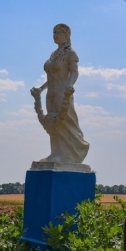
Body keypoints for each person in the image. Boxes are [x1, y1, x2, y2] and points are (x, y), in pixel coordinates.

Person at [30, 23, 90, 163]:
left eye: (59, 33)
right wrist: (41, 89)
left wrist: (69, 86)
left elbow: (74, 72)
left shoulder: (70, 53)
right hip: (51, 93)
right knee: (52, 123)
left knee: (64, 123)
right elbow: (51, 77)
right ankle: (55, 154)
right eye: (54, 32)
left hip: (63, 92)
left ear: (66, 35)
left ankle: (70, 154)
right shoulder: (53, 54)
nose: (55, 35)